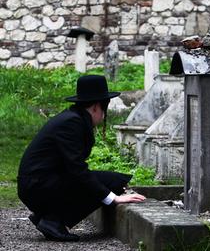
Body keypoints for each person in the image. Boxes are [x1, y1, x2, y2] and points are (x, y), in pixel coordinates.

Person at [17, 75, 146, 242]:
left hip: (41, 183)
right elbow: (77, 169)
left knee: (115, 180)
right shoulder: (72, 123)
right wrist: (112, 198)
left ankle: (48, 214)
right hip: (37, 187)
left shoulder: (74, 118)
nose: (103, 115)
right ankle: (54, 220)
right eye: (104, 109)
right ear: (95, 107)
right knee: (112, 183)